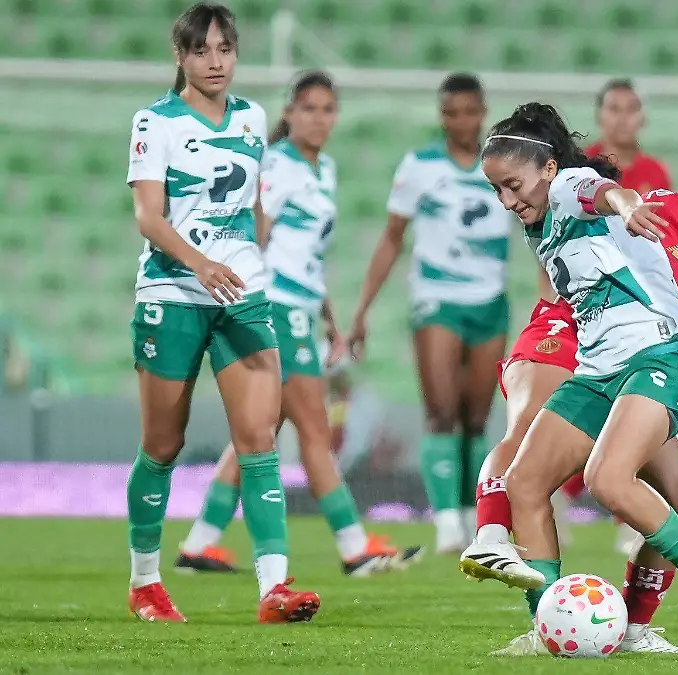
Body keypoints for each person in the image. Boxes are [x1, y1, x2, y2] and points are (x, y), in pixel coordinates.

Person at [464, 147, 678, 655]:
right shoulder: (670, 209)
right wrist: (613, 208)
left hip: (649, 355)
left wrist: (654, 301)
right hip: (584, 340)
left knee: (671, 498)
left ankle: (639, 621)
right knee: (526, 469)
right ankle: (536, 607)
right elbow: (609, 212)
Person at [174, 71, 423, 578]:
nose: (319, 118)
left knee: (261, 429)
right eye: (308, 108)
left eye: (328, 109)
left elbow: (308, 255)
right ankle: (355, 546)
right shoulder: (279, 166)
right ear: (290, 113)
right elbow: (256, 237)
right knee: (313, 425)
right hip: (276, 308)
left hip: (300, 309)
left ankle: (200, 542)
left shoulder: (323, 168)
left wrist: (329, 319)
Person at [125, 2, 318, 623]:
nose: (216, 62)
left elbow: (251, 204)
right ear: (180, 56)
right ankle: (146, 583)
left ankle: (273, 589)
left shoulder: (254, 119)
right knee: (163, 443)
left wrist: (248, 260)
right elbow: (149, 217)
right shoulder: (155, 123)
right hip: (172, 295)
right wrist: (200, 263)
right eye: (203, 50)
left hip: (242, 294)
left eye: (226, 49)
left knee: (260, 436)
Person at [348, 73, 512, 555]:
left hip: (490, 302)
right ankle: (445, 525)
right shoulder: (419, 166)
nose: (460, 121)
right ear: (442, 115)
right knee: (441, 412)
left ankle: (470, 517)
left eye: (469, 111)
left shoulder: (504, 166)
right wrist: (362, 310)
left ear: (483, 112)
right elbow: (392, 237)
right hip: (436, 300)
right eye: (451, 112)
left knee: (477, 417)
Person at [558, 78, 676, 555]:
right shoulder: (580, 170)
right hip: (584, 305)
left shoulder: (653, 171)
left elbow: (667, 242)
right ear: (601, 116)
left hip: (638, 309)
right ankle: (557, 498)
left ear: (640, 117)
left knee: (635, 408)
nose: (623, 117)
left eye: (631, 109)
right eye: (614, 108)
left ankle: (628, 514)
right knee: (583, 406)